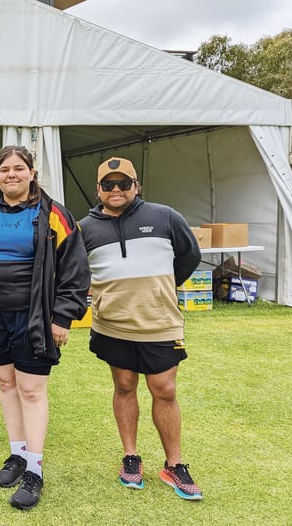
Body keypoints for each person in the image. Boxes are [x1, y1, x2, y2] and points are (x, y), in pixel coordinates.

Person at [0, 145, 89, 510]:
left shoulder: (53, 214)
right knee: (6, 383)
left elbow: (75, 268)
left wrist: (63, 316)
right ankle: (17, 455)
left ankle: (35, 469)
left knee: (31, 388)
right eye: (4, 169)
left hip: (33, 316)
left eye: (18, 168)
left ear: (32, 173)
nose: (11, 174)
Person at [79, 156, 203, 500]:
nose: (116, 190)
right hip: (112, 325)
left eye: (124, 183)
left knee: (164, 389)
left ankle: (174, 464)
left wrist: (161, 287)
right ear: (98, 190)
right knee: (123, 385)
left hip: (159, 323)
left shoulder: (164, 217)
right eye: (108, 184)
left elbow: (189, 256)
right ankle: (131, 457)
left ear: (137, 186)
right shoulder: (85, 228)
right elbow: (74, 270)